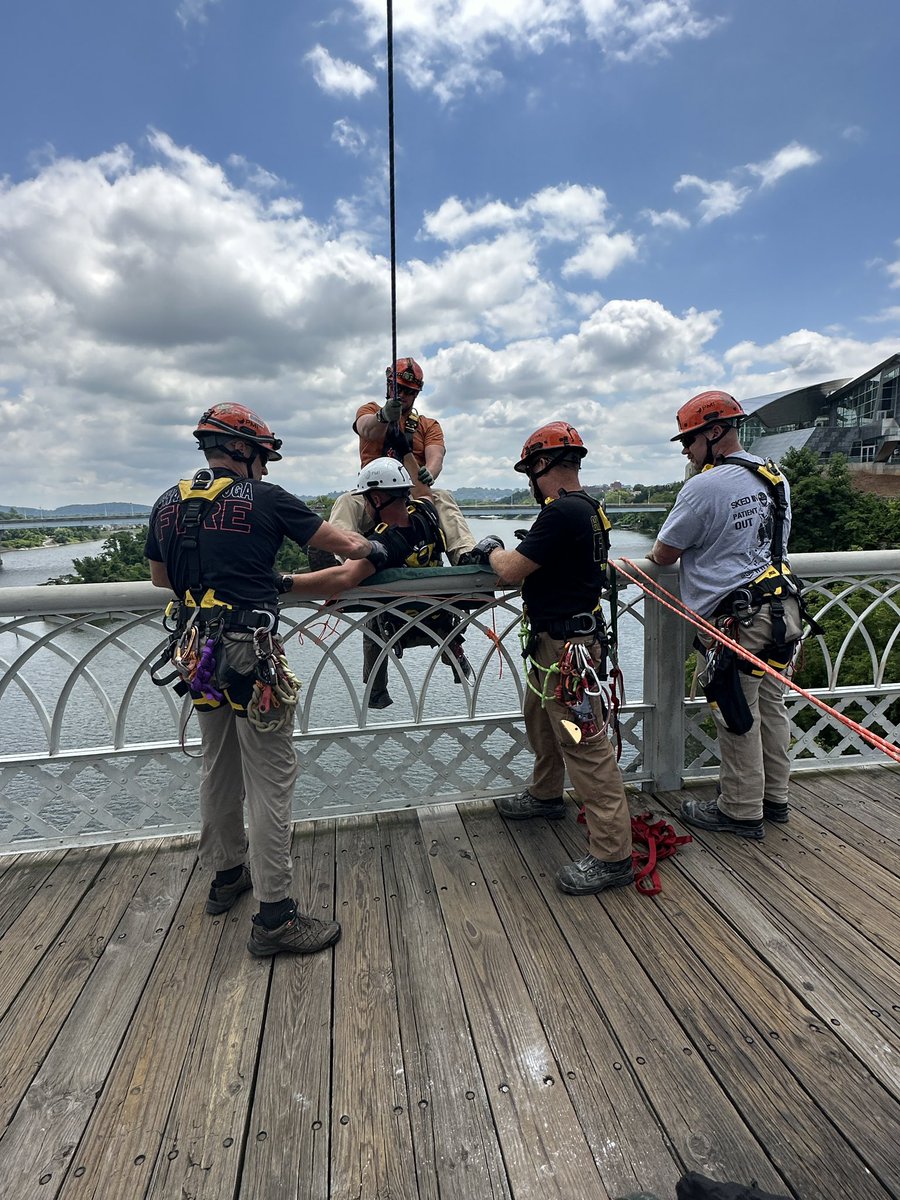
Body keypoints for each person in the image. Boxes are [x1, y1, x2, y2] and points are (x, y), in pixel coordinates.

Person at [145, 402, 386, 957]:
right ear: (245, 452)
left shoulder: (166, 503)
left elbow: (162, 577)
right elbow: (351, 547)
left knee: (218, 765)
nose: (268, 469)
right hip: (250, 655)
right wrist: (371, 554)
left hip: (195, 651)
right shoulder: (267, 499)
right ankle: (275, 916)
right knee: (271, 780)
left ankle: (227, 875)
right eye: (264, 458)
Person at [478, 422, 634, 896]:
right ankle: (547, 793)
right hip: (564, 646)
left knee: (583, 743)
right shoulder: (591, 509)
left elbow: (510, 572)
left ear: (541, 466)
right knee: (542, 721)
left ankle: (613, 855)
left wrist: (491, 549)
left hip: (567, 654)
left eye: (530, 469)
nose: (530, 477)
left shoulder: (561, 512)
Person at [648, 390, 804, 840]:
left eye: (689, 442)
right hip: (783, 610)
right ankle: (774, 798)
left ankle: (739, 809)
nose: (686, 452)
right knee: (770, 707)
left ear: (714, 433)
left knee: (735, 713)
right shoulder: (775, 476)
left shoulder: (704, 486)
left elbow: (662, 553)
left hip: (738, 620)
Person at [288, 458, 501, 707]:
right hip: (440, 618)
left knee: (347, 514)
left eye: (367, 500)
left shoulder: (386, 542)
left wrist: (284, 582)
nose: (365, 505)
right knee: (439, 496)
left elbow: (343, 579)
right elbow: (427, 495)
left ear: (376, 500)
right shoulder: (426, 516)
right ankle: (466, 556)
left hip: (395, 620)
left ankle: (338, 553)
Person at [326, 357, 477, 565]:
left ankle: (465, 555)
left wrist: (429, 473)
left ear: (416, 394)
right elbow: (366, 427)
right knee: (347, 502)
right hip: (374, 496)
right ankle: (336, 561)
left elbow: (436, 455)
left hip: (411, 494)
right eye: (400, 390)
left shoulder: (428, 425)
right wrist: (383, 416)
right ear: (390, 386)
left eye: (410, 392)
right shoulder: (369, 411)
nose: (404, 395)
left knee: (443, 497)